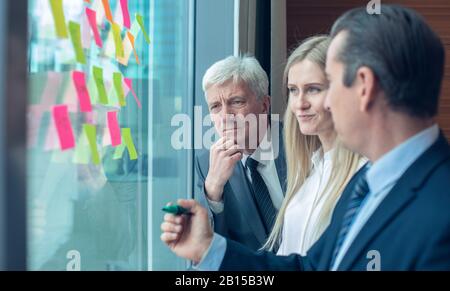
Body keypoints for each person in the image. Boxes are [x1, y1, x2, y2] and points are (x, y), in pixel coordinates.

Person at [161, 5, 450, 271]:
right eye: (294, 91)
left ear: (364, 86)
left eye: (327, 85)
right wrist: (208, 248)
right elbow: (309, 268)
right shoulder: (364, 185)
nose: (309, 105)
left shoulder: (433, 206)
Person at [262, 35, 364, 256]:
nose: (299, 104)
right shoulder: (309, 176)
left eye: (313, 89)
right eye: (293, 90)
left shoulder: (365, 175)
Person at [195, 56, 287, 250]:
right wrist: (213, 188)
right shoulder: (206, 165)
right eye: (215, 107)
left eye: (236, 102)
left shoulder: (298, 142)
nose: (225, 117)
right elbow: (209, 249)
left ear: (264, 105)